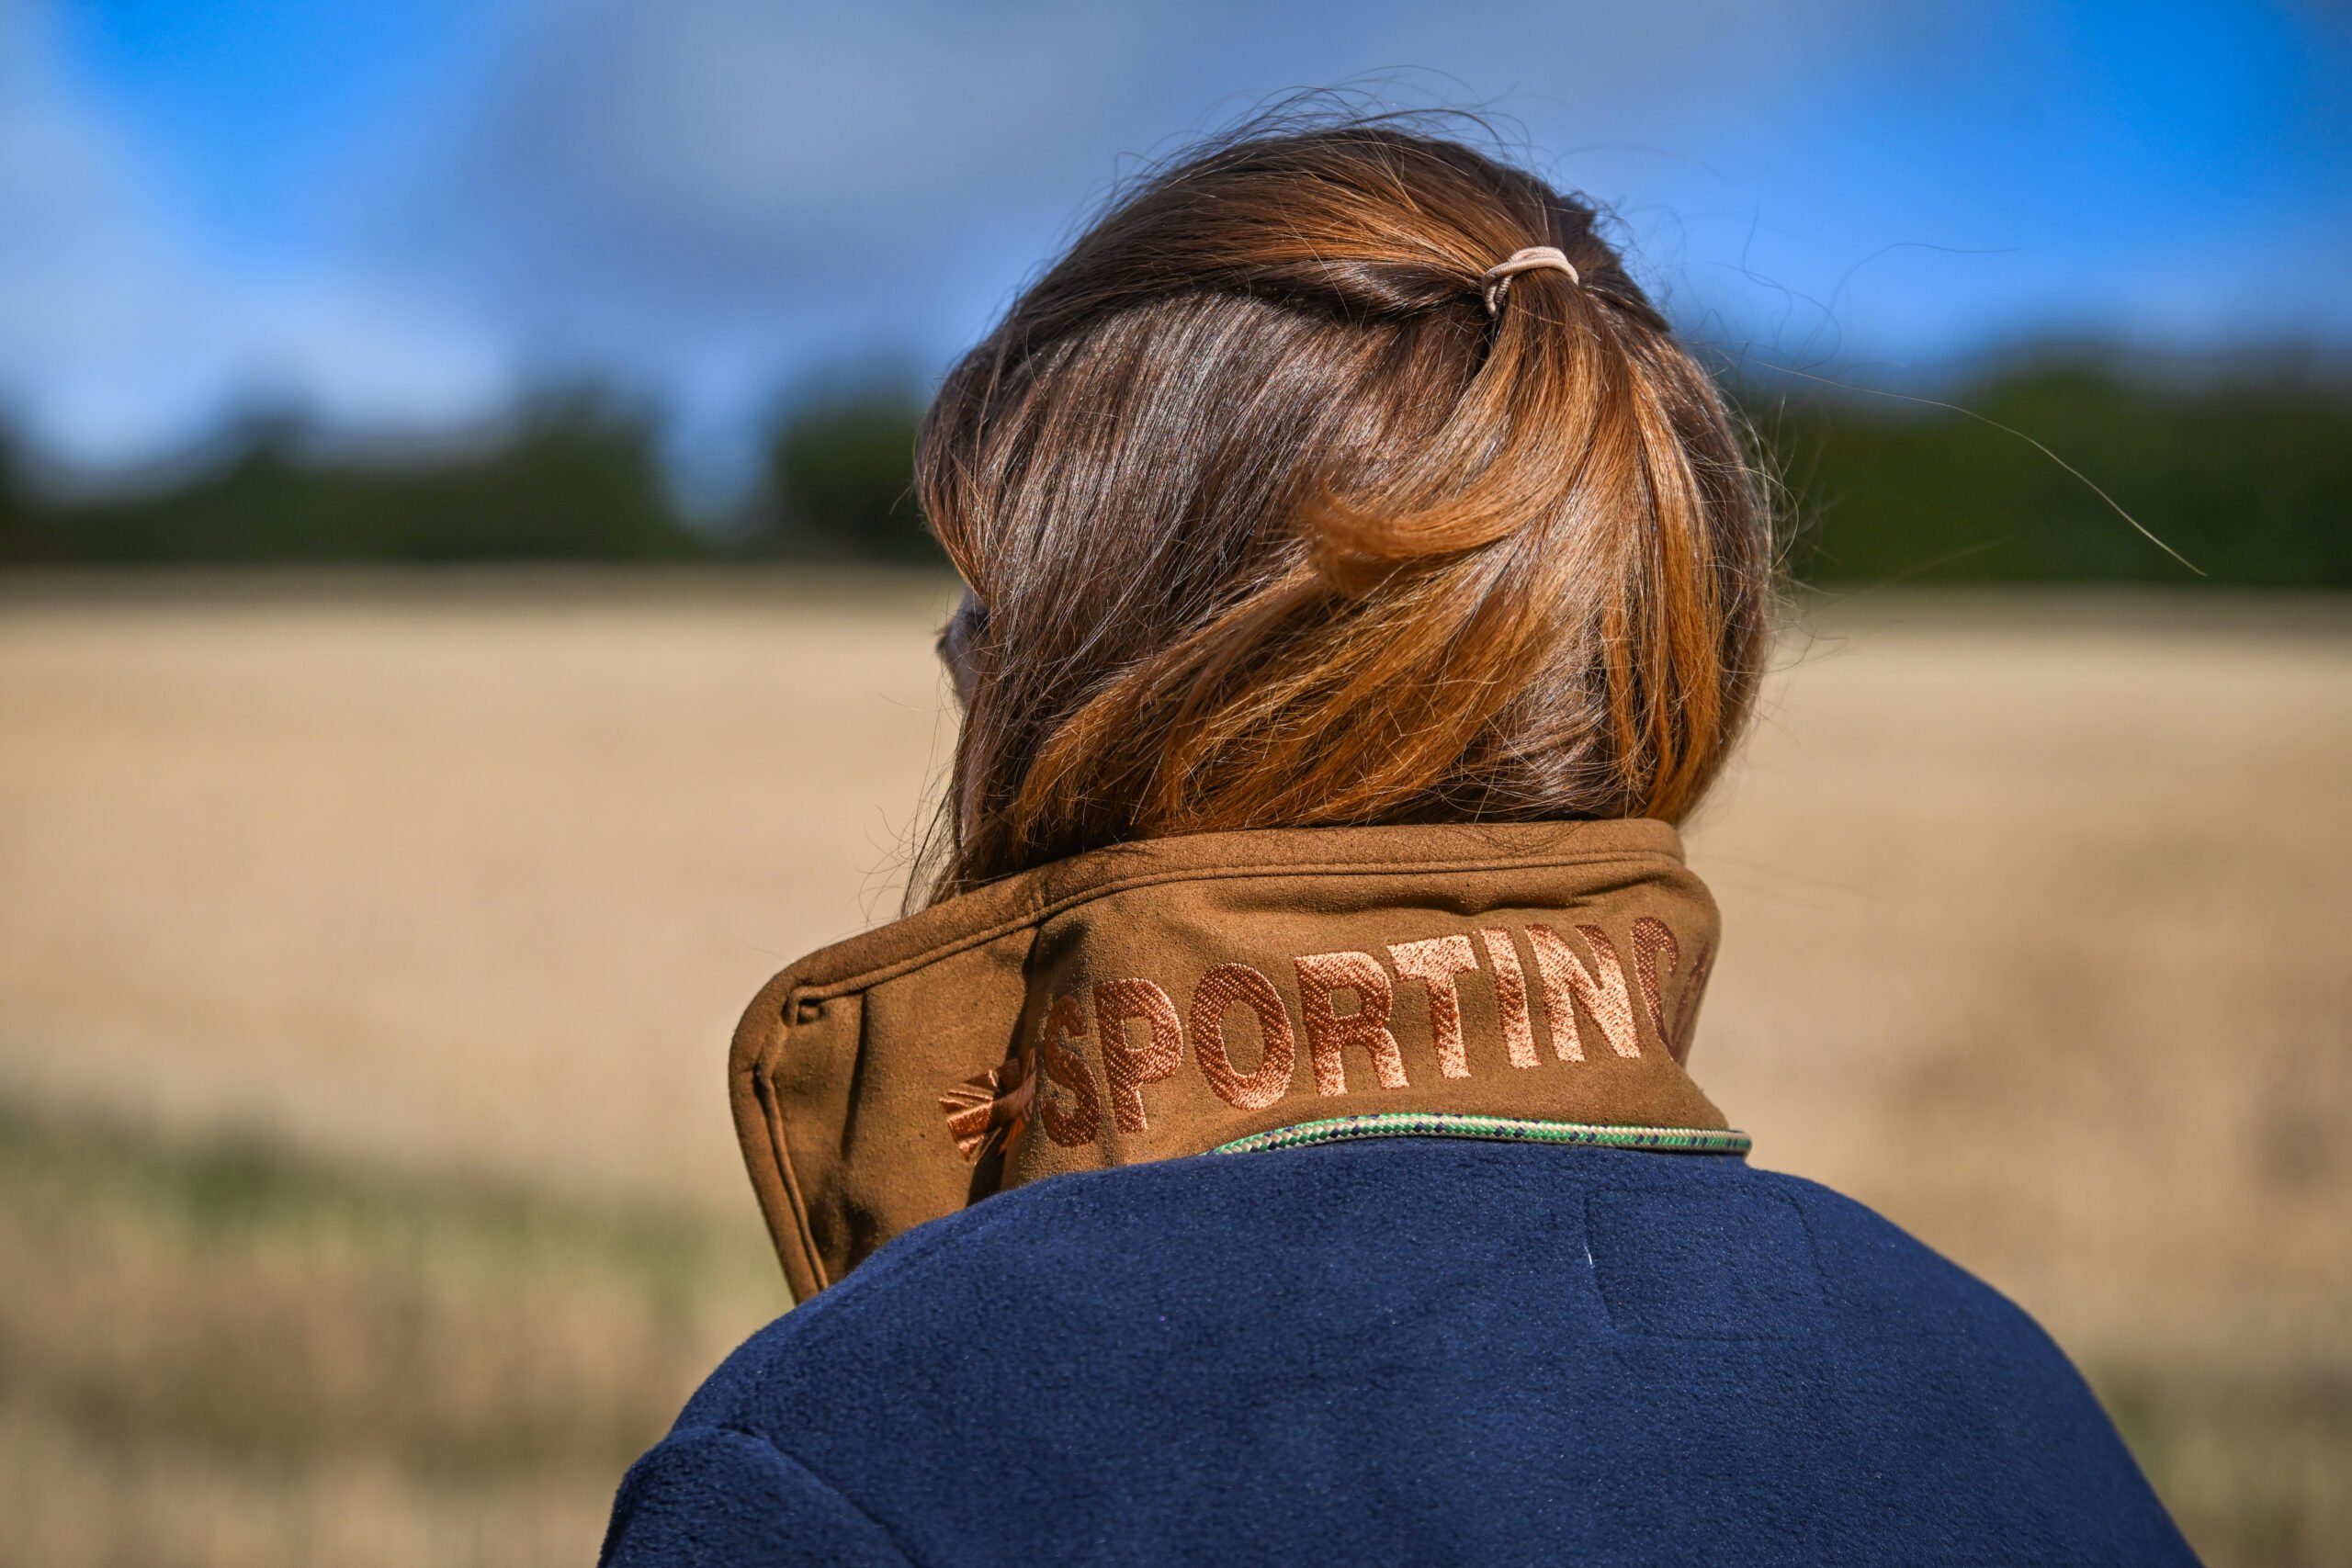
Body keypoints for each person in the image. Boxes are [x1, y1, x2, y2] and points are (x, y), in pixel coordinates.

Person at [598, 118, 2195, 1566]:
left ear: (1106, 690)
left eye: (988, 627)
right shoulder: (2008, 1407)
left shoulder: (857, 1449)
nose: (955, 676)